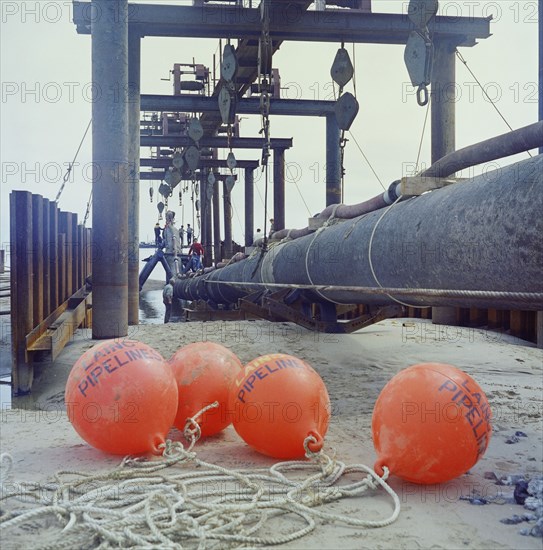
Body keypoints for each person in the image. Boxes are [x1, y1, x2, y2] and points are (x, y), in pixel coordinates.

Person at [162, 210, 181, 276]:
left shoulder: (168, 229)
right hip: (176, 253)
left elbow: (173, 240)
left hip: (171, 253)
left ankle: (170, 281)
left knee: (170, 272)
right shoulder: (175, 229)